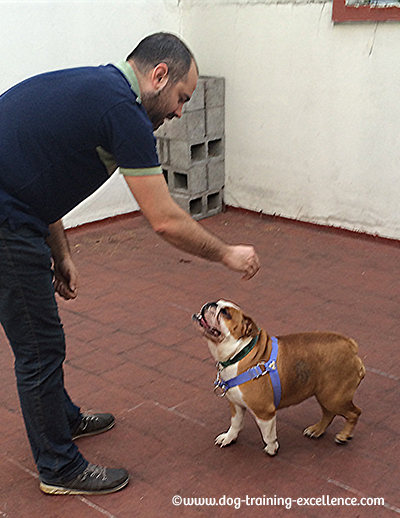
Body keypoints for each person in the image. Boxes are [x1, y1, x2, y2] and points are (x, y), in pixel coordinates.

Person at [0, 32, 260, 496]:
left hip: (17, 208)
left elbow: (37, 171)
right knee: (39, 347)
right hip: (6, 221)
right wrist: (225, 253)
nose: (180, 111)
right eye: (181, 97)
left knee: (42, 339)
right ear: (158, 75)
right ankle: (58, 468)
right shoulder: (124, 111)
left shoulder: (100, 89)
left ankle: (62, 420)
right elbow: (163, 219)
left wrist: (61, 252)